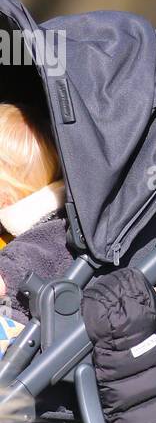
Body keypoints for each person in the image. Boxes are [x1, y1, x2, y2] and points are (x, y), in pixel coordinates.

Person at [0, 102, 70, 353]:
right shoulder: (9, 227)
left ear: (6, 195)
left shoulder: (48, 233)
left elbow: (14, 272)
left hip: (16, 328)